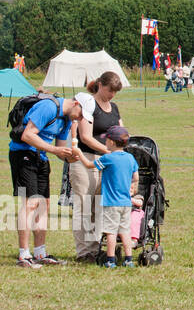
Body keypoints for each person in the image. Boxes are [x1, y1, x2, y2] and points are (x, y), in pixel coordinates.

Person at [9, 94, 83, 267]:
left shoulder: (66, 119)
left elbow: (60, 148)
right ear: (76, 104)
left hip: (41, 158)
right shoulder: (49, 107)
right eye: (80, 114)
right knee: (30, 203)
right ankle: (24, 254)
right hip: (23, 154)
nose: (80, 119)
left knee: (44, 204)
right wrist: (54, 149)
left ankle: (40, 252)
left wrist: (71, 157)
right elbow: (27, 135)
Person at [69, 72, 124, 263]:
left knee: (100, 207)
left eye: (115, 92)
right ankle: (85, 252)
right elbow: (85, 137)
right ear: (100, 85)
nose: (112, 95)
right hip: (85, 160)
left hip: (107, 164)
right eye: (110, 91)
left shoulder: (114, 108)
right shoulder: (89, 104)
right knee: (84, 205)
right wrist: (110, 152)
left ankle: (98, 248)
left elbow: (120, 132)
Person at [75, 125, 140, 268]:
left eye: (106, 140)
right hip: (126, 202)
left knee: (110, 232)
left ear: (111, 142)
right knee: (124, 232)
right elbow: (135, 177)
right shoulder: (130, 158)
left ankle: (111, 260)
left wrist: (79, 152)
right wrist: (132, 187)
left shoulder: (108, 158)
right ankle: (128, 259)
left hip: (111, 202)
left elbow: (88, 164)